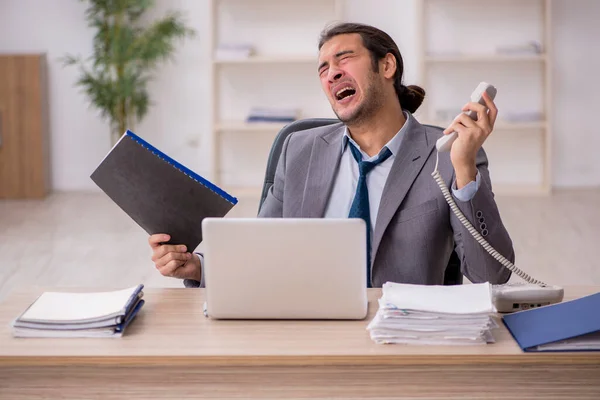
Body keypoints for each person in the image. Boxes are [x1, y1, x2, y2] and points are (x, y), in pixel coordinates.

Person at [149, 22, 514, 288]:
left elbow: (491, 274)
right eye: (323, 68)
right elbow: (263, 250)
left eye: (344, 58)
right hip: (309, 328)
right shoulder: (300, 150)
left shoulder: (449, 155)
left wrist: (464, 168)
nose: (331, 73)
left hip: (403, 336)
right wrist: (196, 267)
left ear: (386, 66)